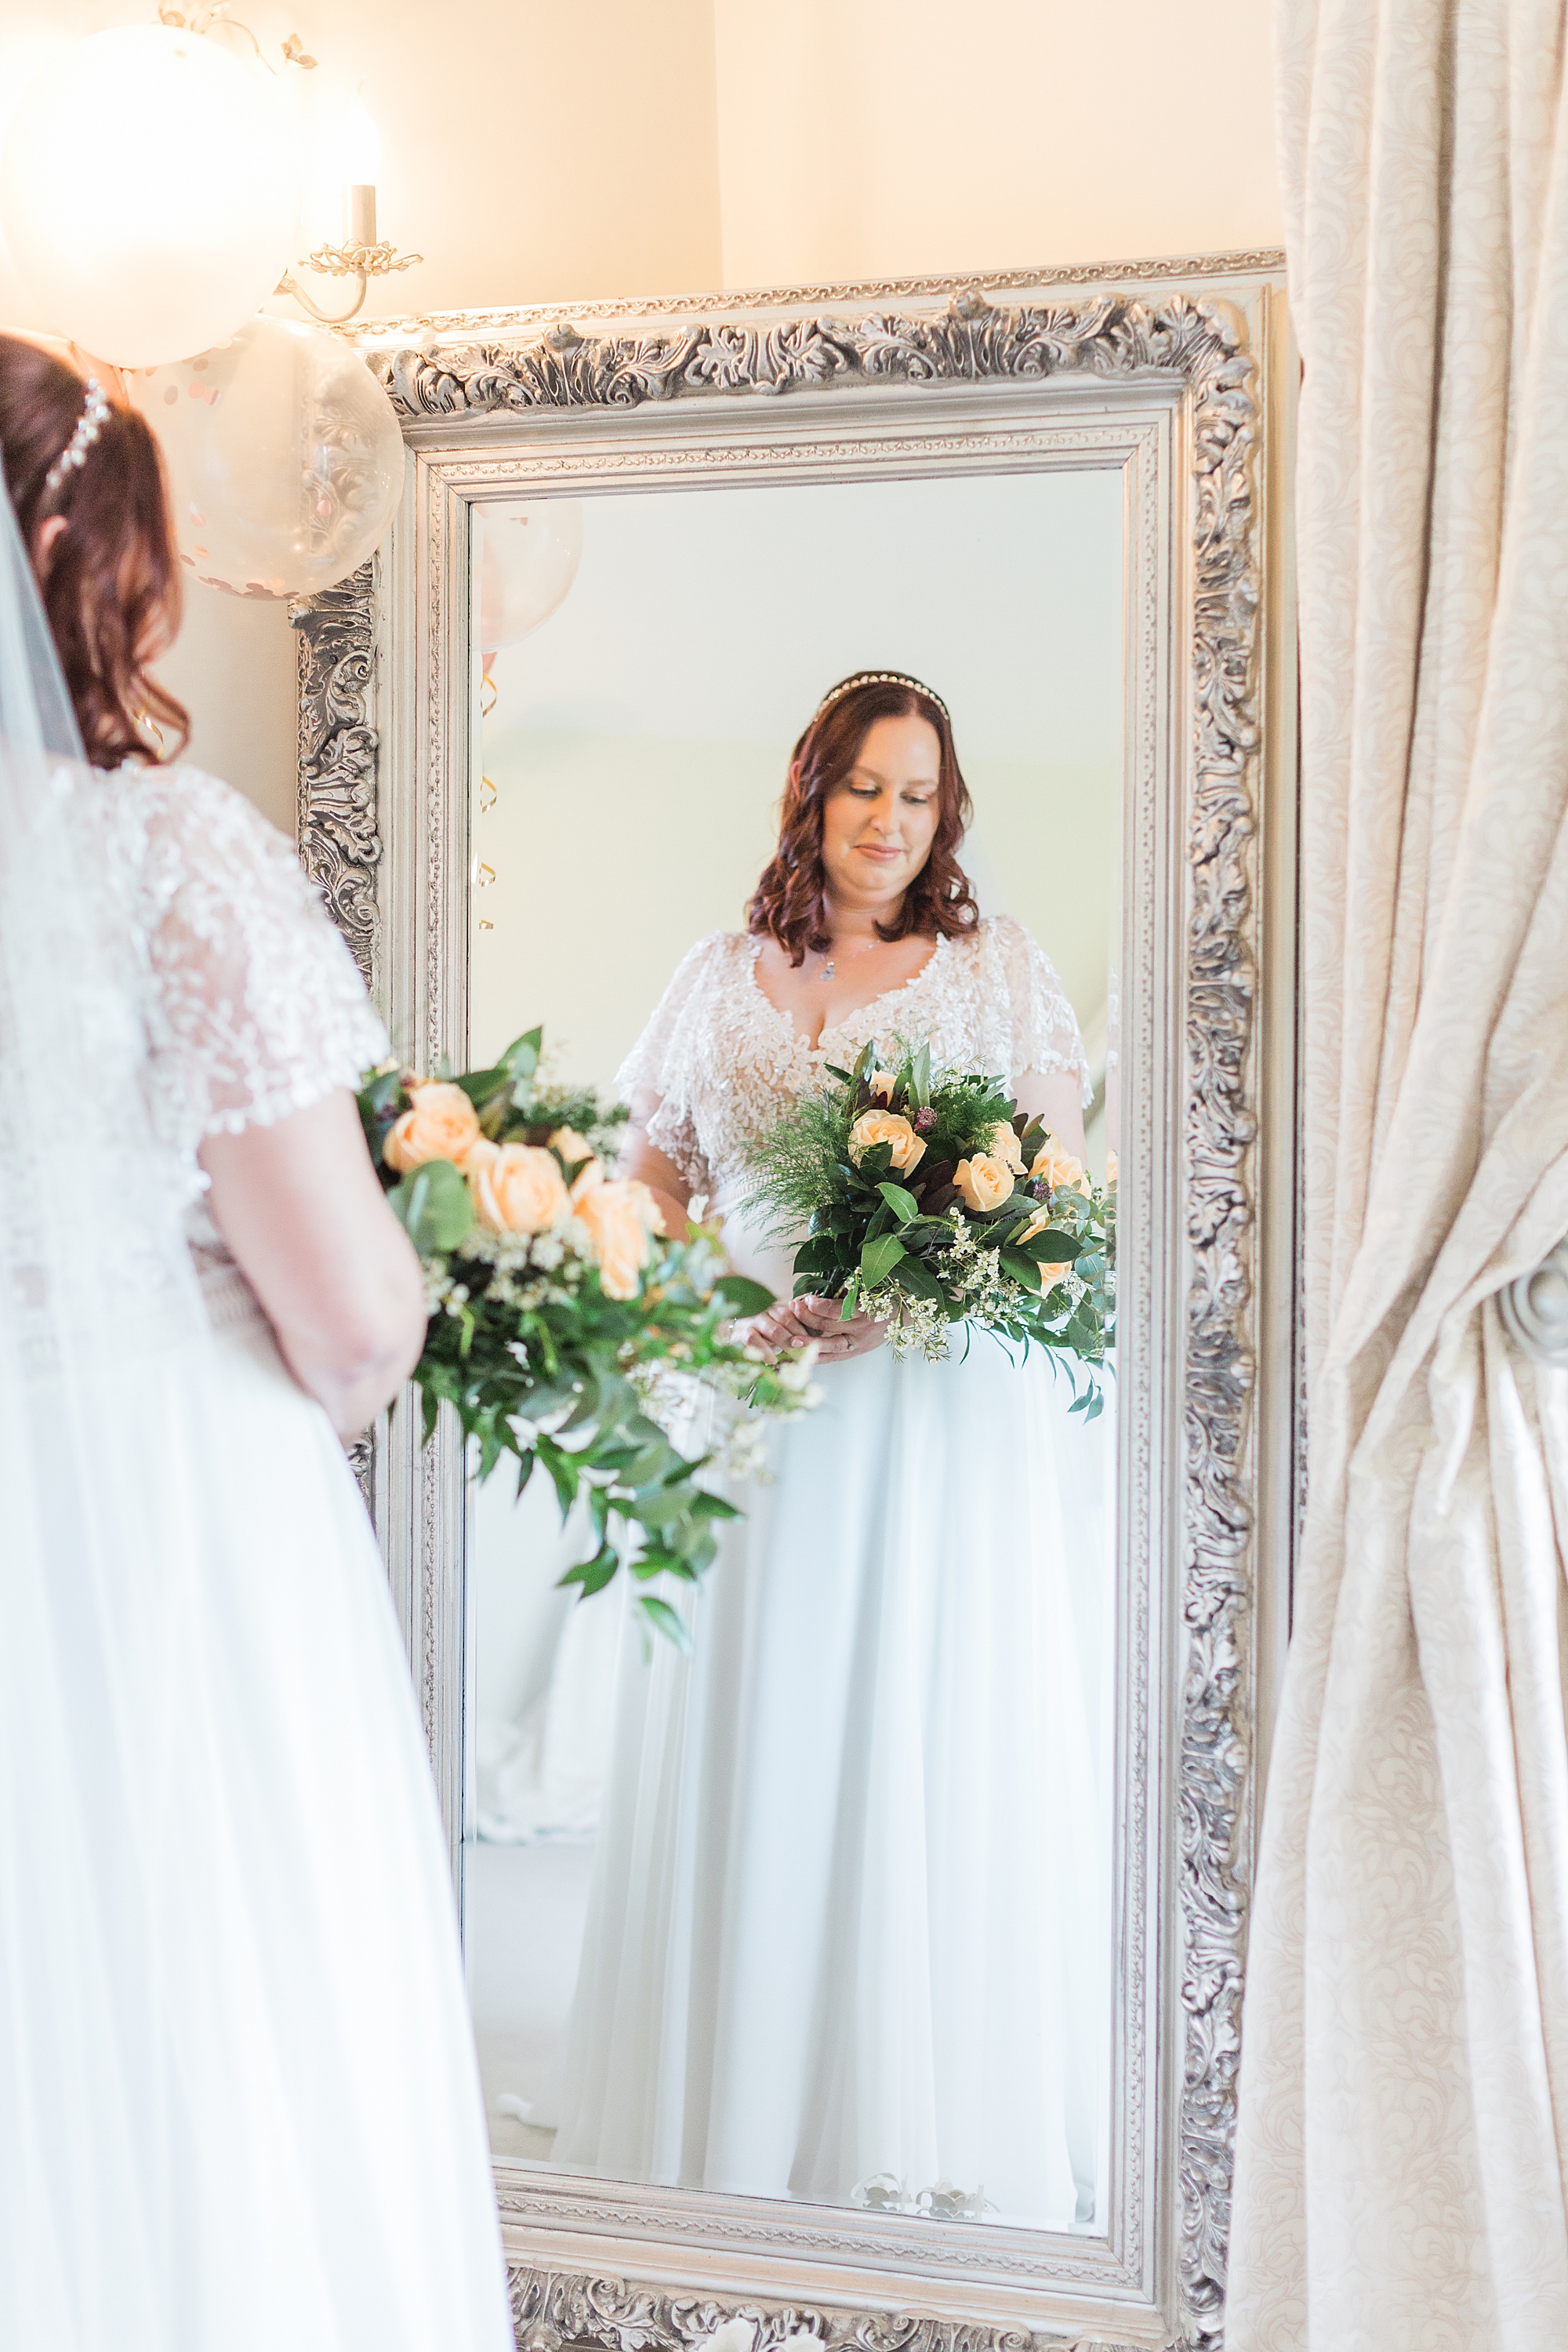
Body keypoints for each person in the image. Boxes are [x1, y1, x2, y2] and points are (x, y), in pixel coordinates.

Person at [0, 337, 512, 2350]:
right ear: (70, 541)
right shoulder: (152, 854)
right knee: (201, 2006)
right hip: (164, 1520)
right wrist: (399, 1334)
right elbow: (354, 1303)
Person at [548, 672, 1110, 2229]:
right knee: (756, 1712)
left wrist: (907, 1290)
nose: (887, 818)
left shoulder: (998, 975)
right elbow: (650, 1189)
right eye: (863, 785)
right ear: (812, 792)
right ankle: (735, 2106)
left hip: (923, 1410)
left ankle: (898, 2115)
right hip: (747, 1404)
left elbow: (1045, 1193)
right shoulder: (714, 974)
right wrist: (701, 1303)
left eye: (917, 793)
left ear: (947, 814)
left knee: (904, 1717)